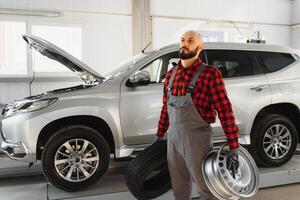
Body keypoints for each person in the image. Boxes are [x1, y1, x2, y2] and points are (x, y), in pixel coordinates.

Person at [156, 31, 240, 200]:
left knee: (205, 187)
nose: (185, 43)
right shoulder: (171, 75)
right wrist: (159, 135)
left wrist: (233, 145)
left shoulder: (210, 74)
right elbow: (166, 108)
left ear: (200, 47)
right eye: (182, 40)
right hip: (173, 139)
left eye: (190, 40)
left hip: (197, 138)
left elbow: (225, 110)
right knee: (179, 187)